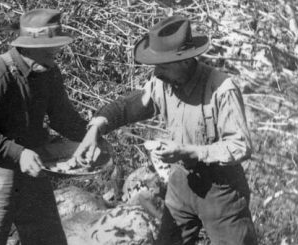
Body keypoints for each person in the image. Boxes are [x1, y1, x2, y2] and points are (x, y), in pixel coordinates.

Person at [74, 15, 258, 244]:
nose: (157, 72)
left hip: (221, 191)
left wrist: (187, 151)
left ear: (185, 61)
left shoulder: (221, 88)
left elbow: (240, 145)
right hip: (181, 183)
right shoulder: (161, 83)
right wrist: (95, 128)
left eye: (163, 65)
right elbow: (127, 107)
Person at [0, 8, 87, 245]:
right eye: (51, 47)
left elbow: (63, 118)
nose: (57, 52)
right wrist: (18, 154)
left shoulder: (49, 71)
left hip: (33, 169)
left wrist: (92, 135)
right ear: (29, 46)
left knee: (48, 240)